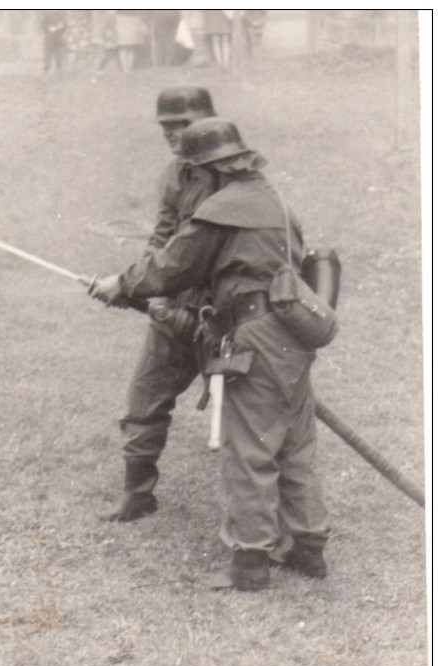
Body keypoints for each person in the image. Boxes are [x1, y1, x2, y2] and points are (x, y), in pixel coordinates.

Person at [85, 118, 331, 591]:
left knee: (249, 450)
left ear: (210, 169)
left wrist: (122, 284)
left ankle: (250, 564)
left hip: (253, 337)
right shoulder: (273, 200)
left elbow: (174, 265)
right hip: (292, 334)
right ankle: (308, 548)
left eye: (195, 170)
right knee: (294, 443)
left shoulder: (223, 208)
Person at [101, 87, 219, 523]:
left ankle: (283, 524)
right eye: (166, 127)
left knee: (256, 421)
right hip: (176, 305)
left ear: (207, 122)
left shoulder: (230, 177)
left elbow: (196, 253)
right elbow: (163, 239)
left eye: (182, 125)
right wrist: (139, 288)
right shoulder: (173, 176)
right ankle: (138, 494)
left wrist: (133, 285)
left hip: (226, 313)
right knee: (143, 399)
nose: (173, 135)